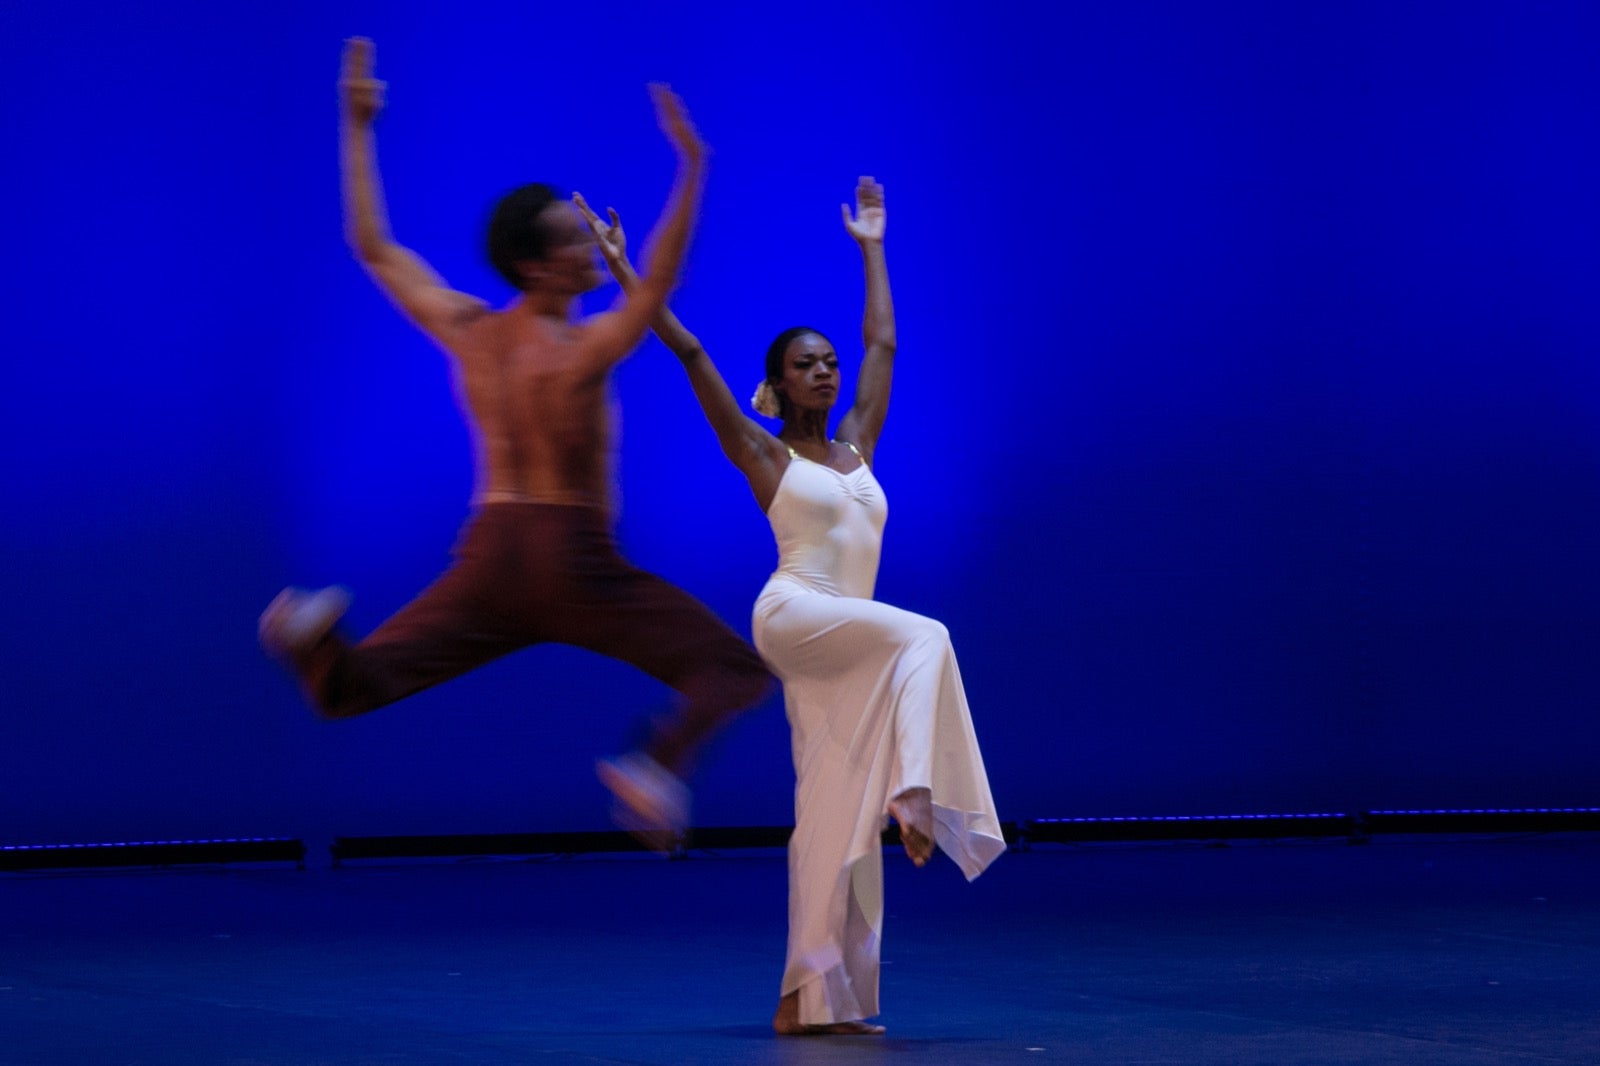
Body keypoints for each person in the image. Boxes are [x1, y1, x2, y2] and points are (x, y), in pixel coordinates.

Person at [258, 38, 772, 846]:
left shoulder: (469, 332)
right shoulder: (580, 349)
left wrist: (356, 127)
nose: (593, 244)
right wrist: (693, 166)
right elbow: (663, 281)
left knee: (349, 689)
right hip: (571, 560)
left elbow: (374, 246)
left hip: (492, 556)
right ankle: (656, 763)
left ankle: (308, 639)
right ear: (536, 268)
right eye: (574, 239)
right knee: (735, 669)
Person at [576, 177, 1005, 1035]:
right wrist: (631, 279)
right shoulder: (765, 453)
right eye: (805, 364)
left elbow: (882, 343)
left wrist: (872, 247)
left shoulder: (859, 444)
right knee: (929, 636)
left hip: (852, 643)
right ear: (777, 381)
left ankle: (813, 999)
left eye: (827, 362)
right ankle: (917, 791)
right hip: (796, 614)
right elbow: (693, 355)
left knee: (830, 818)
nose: (824, 370)